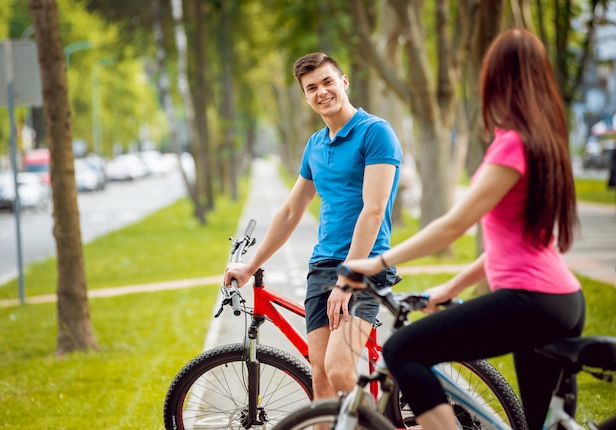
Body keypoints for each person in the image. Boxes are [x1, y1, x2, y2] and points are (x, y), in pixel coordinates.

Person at [340, 29, 585, 430]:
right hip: (562, 301)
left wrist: (376, 262)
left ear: (497, 79)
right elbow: (508, 246)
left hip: (530, 301)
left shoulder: (511, 145)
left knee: (403, 350)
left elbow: (453, 226)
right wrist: (449, 289)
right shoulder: (545, 143)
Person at [224, 52, 403, 401]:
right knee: (319, 376)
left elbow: (374, 209)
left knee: (339, 370)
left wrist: (350, 277)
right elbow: (292, 211)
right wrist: (250, 266)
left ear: (344, 81)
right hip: (321, 268)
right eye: (312, 87)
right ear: (305, 96)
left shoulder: (375, 133)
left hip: (365, 267)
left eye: (327, 82)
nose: (321, 92)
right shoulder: (315, 145)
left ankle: (373, 425)